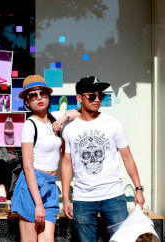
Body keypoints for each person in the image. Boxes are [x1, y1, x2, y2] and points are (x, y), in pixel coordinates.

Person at [61, 76, 145, 241]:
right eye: (92, 96)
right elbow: (66, 164)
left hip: (113, 195)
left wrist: (138, 189)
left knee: (122, 239)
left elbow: (127, 158)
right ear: (79, 98)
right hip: (83, 198)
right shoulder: (69, 129)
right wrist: (65, 199)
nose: (97, 99)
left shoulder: (114, 124)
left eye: (101, 96)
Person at [11, 75, 80, 242]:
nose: (39, 97)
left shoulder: (54, 117)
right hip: (32, 185)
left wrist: (62, 119)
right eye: (33, 95)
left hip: (49, 186)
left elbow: (81, 112)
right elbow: (27, 167)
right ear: (27, 102)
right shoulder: (30, 125)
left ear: (48, 97)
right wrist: (38, 204)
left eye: (43, 93)